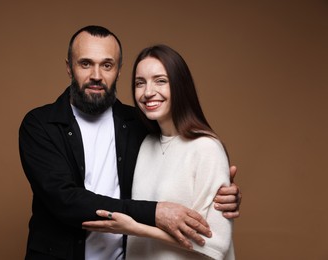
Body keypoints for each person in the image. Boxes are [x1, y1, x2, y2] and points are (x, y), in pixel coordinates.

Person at [19, 25, 241, 260]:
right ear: (69, 67)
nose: (96, 75)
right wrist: (155, 213)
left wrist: (221, 191)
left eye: (107, 65)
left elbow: (181, 157)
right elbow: (65, 200)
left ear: (118, 71)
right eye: (85, 63)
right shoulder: (40, 124)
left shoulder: (139, 124)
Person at [82, 44, 235, 259]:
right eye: (140, 83)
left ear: (180, 86)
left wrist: (134, 228)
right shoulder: (145, 144)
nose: (148, 92)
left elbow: (216, 242)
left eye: (161, 81)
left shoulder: (205, 147)